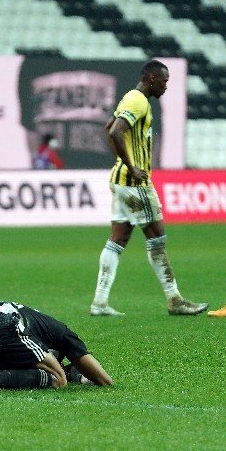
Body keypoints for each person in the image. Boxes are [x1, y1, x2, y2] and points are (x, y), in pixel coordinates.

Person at [89, 59, 207, 317]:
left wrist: (122, 161)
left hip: (120, 182)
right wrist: (131, 167)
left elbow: (108, 128)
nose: (166, 86)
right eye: (164, 81)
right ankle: (175, 300)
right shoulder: (138, 100)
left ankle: (99, 302)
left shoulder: (130, 98)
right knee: (157, 237)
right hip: (134, 183)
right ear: (151, 78)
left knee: (118, 239)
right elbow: (116, 131)